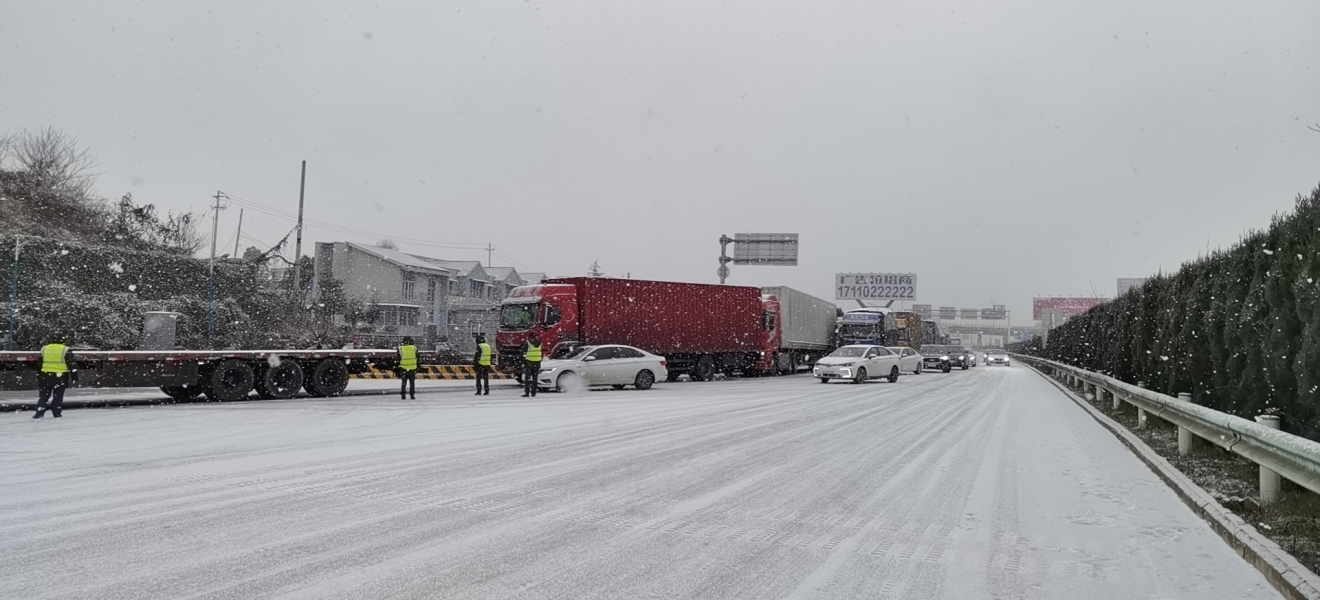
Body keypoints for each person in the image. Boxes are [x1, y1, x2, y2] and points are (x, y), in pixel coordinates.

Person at [33, 337, 75, 419]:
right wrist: (74, 376)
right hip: (60, 376)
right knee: (58, 395)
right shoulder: (65, 349)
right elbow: (71, 364)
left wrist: (39, 374)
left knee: (44, 395)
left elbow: (39, 363)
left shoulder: (44, 348)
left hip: (45, 375)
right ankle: (56, 412)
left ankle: (39, 411)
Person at [521, 332, 543, 397]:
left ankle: (527, 393)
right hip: (537, 363)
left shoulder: (528, 343)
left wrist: (522, 361)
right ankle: (534, 393)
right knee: (535, 379)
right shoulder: (540, 343)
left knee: (527, 378)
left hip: (529, 363)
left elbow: (523, 352)